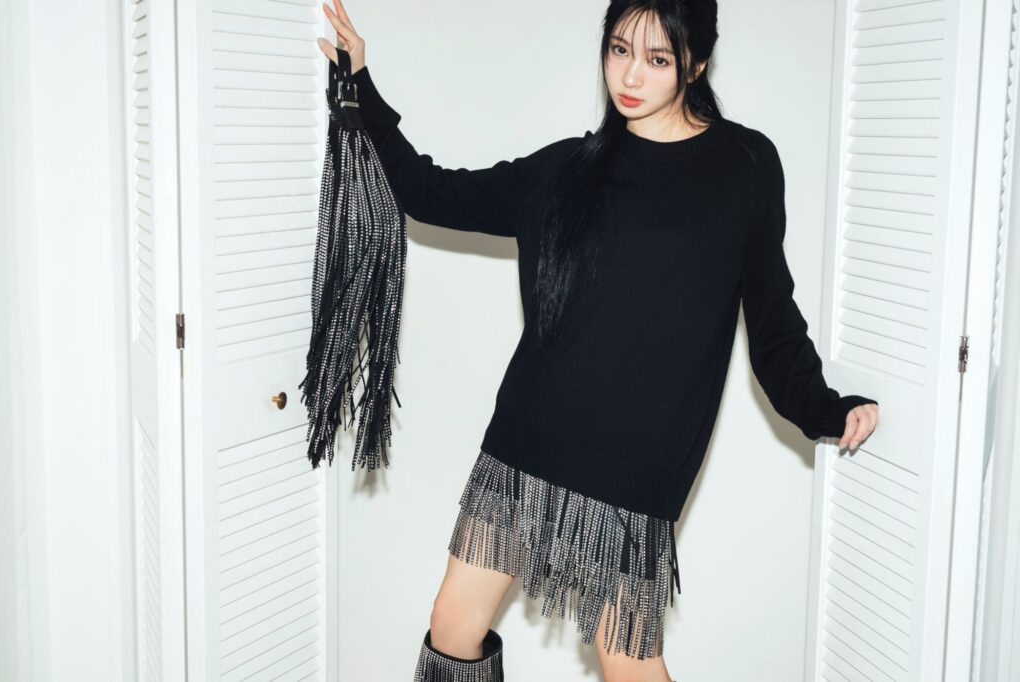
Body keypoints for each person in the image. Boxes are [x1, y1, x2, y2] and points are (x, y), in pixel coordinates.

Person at [317, 1, 880, 681]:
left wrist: (825, 408)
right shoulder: (567, 170)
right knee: (452, 626)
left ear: (696, 64)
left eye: (657, 58)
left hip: (636, 463)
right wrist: (361, 84)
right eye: (619, 50)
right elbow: (429, 191)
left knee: (626, 660)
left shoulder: (745, 167)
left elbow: (773, 320)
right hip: (527, 438)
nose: (630, 76)